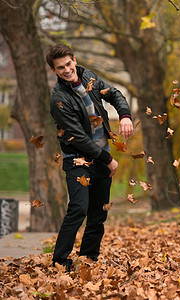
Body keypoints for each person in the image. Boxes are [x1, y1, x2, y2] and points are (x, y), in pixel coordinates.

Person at [46, 43, 134, 271]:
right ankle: (59, 261)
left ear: (74, 60)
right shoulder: (58, 99)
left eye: (68, 64)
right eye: (60, 68)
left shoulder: (88, 77)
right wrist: (107, 159)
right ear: (54, 71)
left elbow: (114, 93)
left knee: (98, 212)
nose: (66, 70)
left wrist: (124, 115)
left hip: (101, 156)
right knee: (78, 208)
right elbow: (77, 138)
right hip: (76, 159)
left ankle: (88, 258)